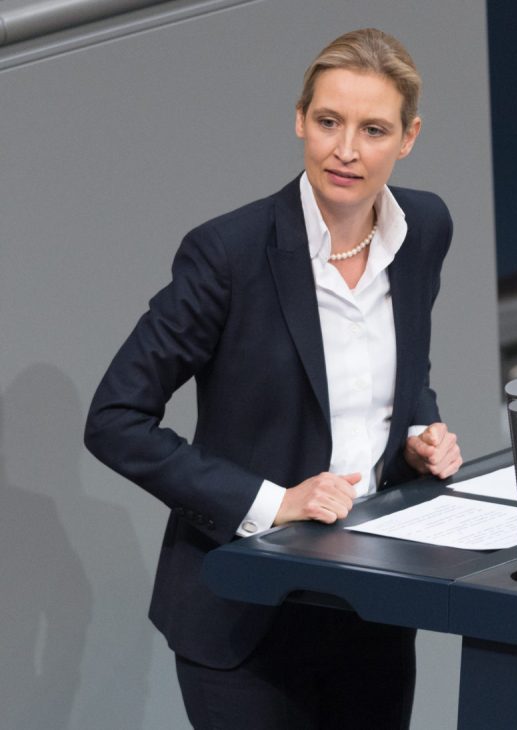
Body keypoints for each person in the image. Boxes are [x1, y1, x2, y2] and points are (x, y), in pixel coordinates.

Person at [84, 28, 462, 729]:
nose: (345, 149)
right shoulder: (228, 255)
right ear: (299, 120)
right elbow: (114, 418)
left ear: (407, 138)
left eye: (373, 129)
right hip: (244, 615)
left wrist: (419, 430)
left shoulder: (424, 230)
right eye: (328, 122)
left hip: (371, 605)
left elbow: (404, 372)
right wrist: (273, 501)